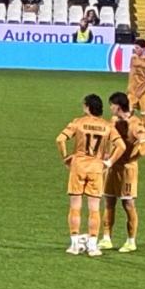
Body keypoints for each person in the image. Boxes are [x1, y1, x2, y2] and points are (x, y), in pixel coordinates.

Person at [56, 94, 126, 256]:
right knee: (94, 208)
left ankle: (74, 245)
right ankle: (93, 246)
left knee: (75, 206)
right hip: (96, 168)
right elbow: (121, 146)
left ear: (87, 107)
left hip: (78, 166)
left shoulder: (78, 122)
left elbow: (60, 139)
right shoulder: (108, 126)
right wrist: (108, 163)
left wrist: (65, 158)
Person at [98, 92, 145, 254]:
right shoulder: (114, 121)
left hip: (127, 170)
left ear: (118, 106)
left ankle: (131, 241)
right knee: (108, 201)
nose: (110, 108)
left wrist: (132, 157)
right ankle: (106, 238)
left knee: (128, 204)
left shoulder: (136, 124)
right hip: (112, 168)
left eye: (112, 105)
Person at [127, 38, 145, 130]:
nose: (135, 49)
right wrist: (129, 87)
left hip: (144, 92)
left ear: (143, 49)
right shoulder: (133, 58)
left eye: (137, 48)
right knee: (127, 114)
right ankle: (128, 136)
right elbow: (131, 72)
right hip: (133, 91)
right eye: (134, 47)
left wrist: (142, 91)